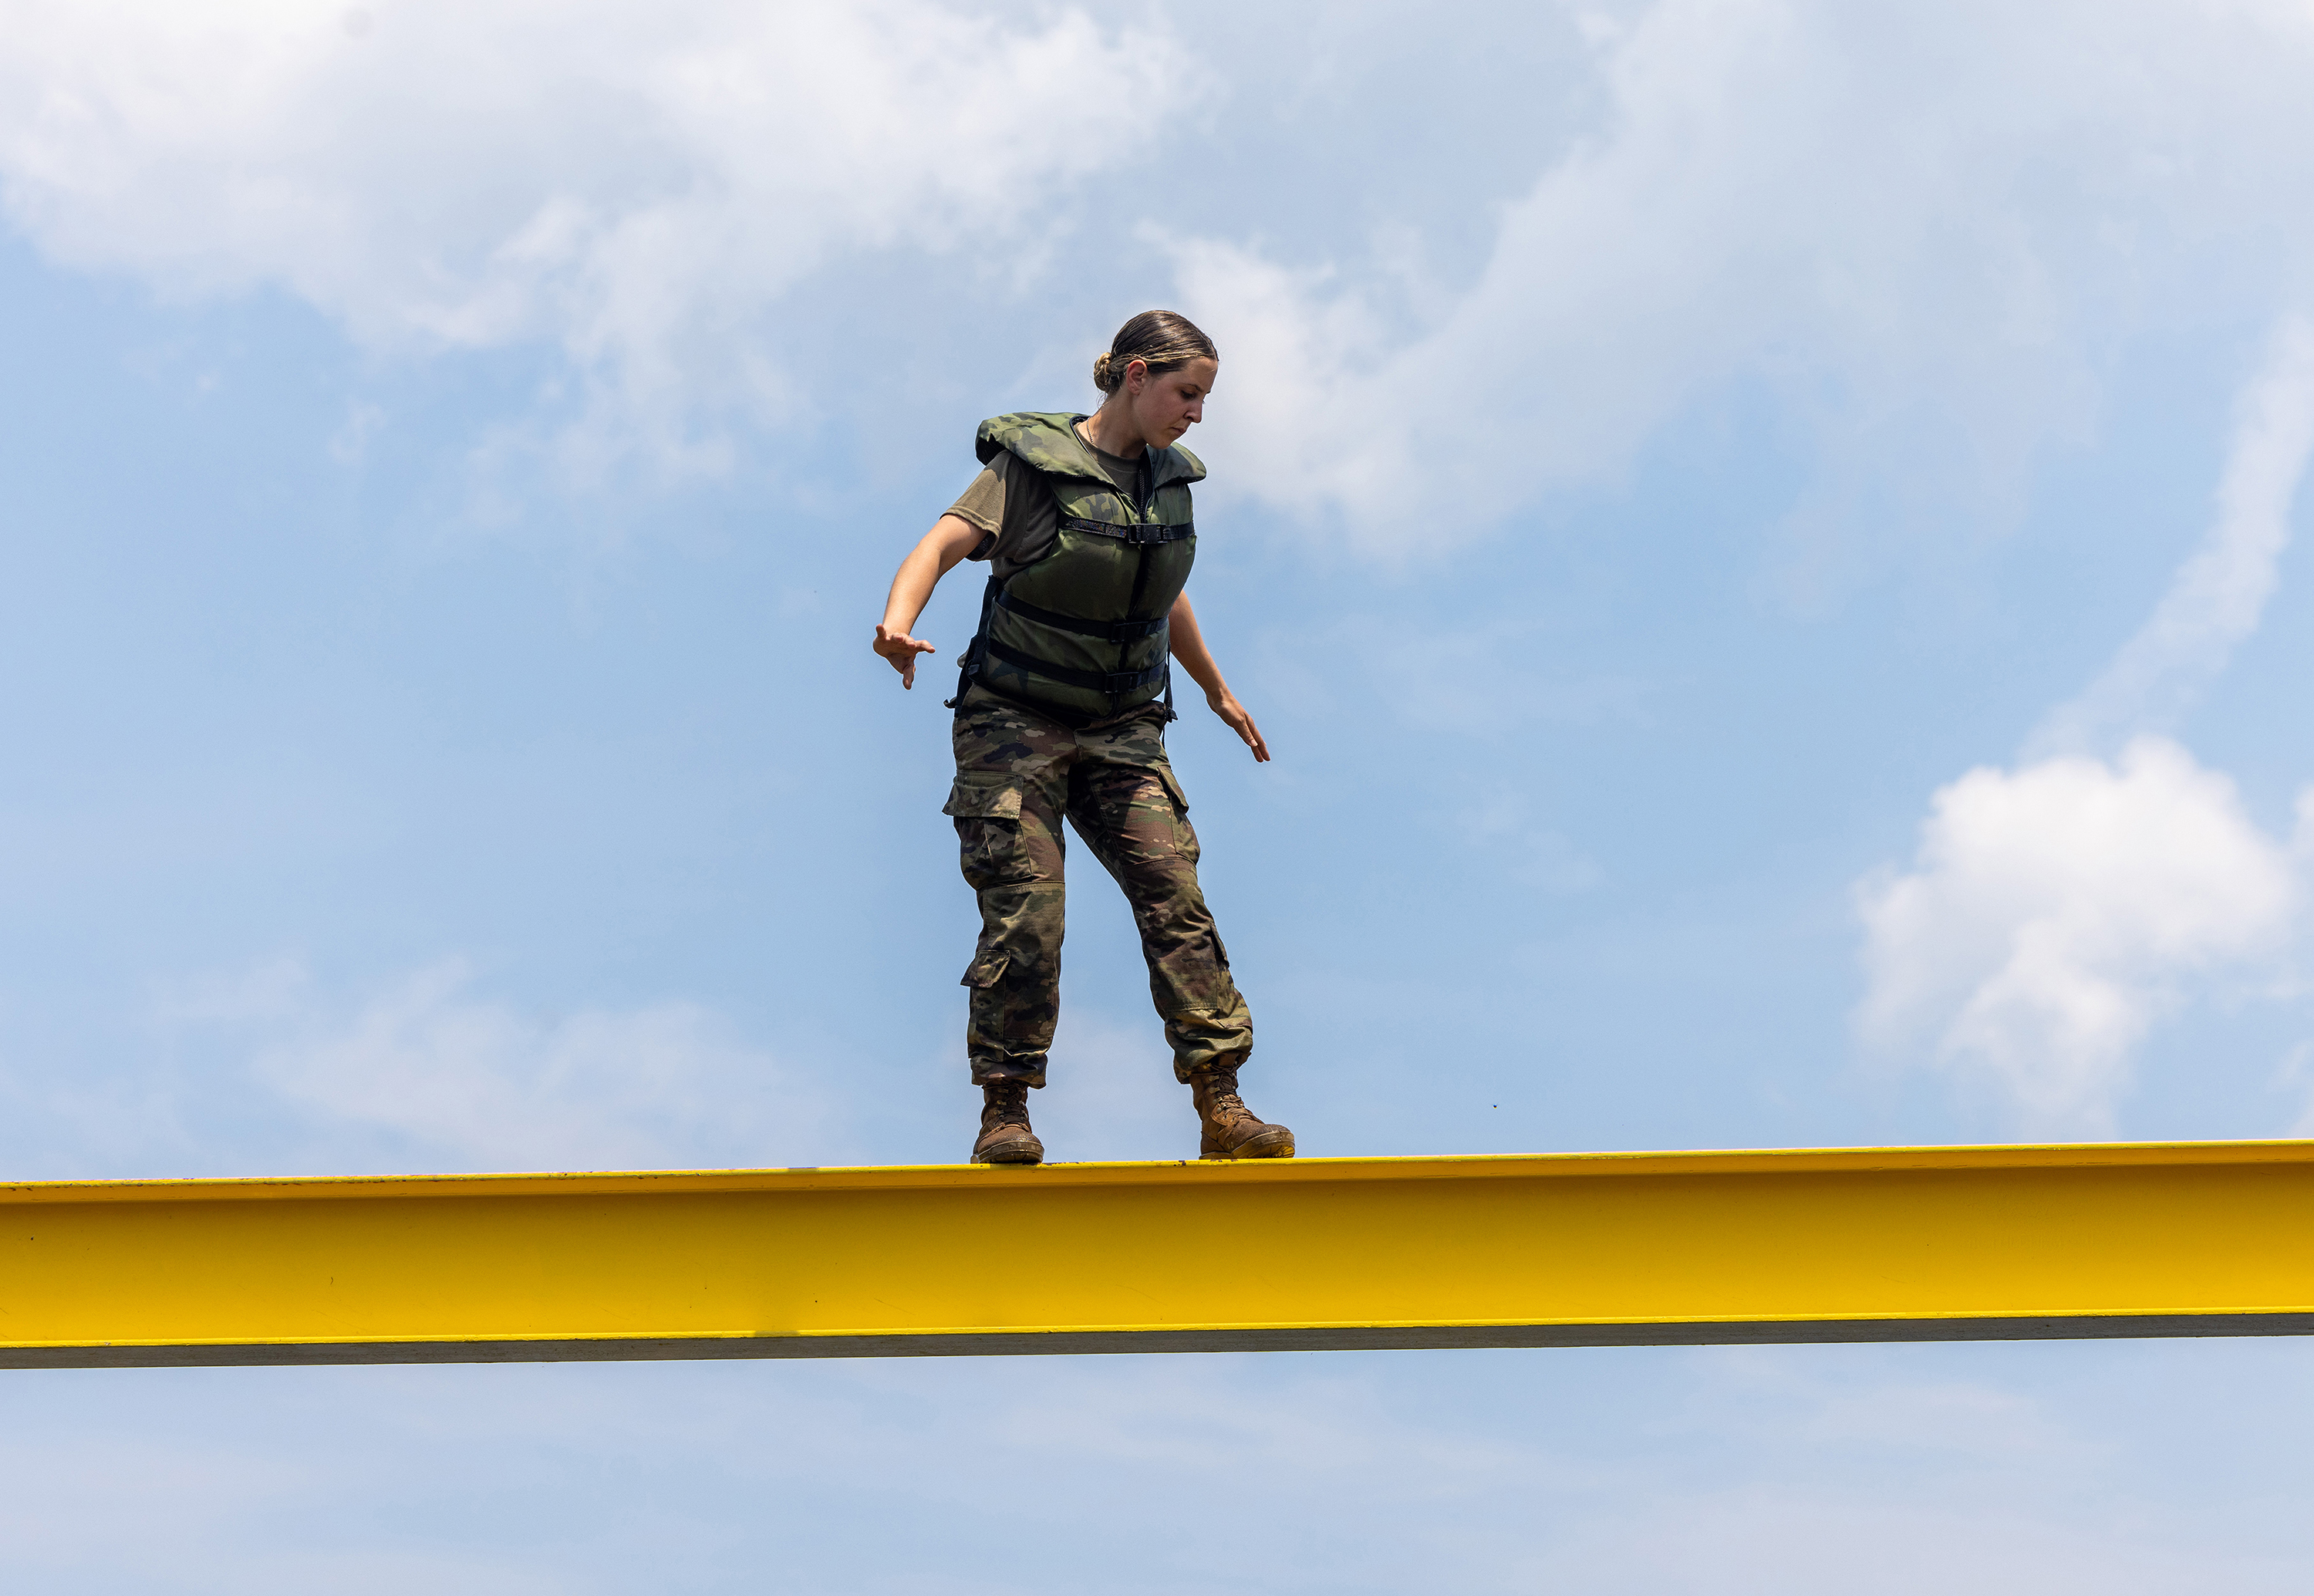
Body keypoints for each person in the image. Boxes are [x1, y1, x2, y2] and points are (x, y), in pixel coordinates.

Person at [872, 309, 1294, 1166]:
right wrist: (896, 623)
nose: (1197, 414)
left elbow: (1156, 585)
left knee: (1175, 895)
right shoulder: (1031, 467)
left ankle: (1223, 1103)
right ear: (1135, 375)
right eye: (1187, 392)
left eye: (1206, 397)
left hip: (1123, 726)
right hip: (1013, 723)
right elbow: (942, 542)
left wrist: (1217, 689)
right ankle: (1005, 1108)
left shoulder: (1164, 482)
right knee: (1029, 911)